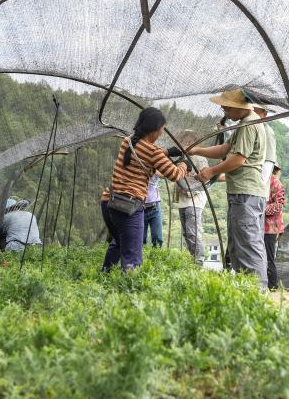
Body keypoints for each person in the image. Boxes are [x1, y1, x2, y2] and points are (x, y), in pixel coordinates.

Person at [189, 88, 268, 287]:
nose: (224, 110)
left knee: (248, 243)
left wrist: (211, 171)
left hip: (246, 193)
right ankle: (245, 286)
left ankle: (257, 290)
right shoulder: (243, 125)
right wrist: (197, 149)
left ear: (238, 107)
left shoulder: (249, 125)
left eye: (226, 107)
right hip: (242, 193)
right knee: (239, 243)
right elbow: (225, 149)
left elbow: (238, 159)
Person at [102, 107, 187, 272]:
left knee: (119, 244)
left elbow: (142, 157)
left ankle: (105, 274)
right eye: (161, 130)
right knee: (132, 257)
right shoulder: (153, 151)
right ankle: (130, 292)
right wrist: (184, 164)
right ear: (154, 130)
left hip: (110, 202)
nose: (161, 134)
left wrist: (166, 153)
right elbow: (175, 175)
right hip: (129, 206)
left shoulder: (128, 141)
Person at [175, 130, 210, 264]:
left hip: (195, 200)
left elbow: (205, 179)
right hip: (183, 201)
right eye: (182, 140)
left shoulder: (200, 158)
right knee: (186, 232)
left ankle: (198, 262)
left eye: (186, 141)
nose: (183, 143)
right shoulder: (180, 158)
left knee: (193, 232)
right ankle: (193, 260)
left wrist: (189, 190)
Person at [264, 164, 286, 290]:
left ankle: (272, 286)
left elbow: (279, 206)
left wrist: (261, 210)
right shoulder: (268, 181)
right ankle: (269, 286)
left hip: (270, 227)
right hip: (266, 226)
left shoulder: (275, 183)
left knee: (268, 258)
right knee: (267, 257)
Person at [143, 175, 164, 248]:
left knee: (157, 237)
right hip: (140, 208)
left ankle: (156, 256)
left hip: (155, 207)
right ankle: (140, 257)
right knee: (140, 238)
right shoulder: (138, 173)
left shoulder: (155, 172)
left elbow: (164, 174)